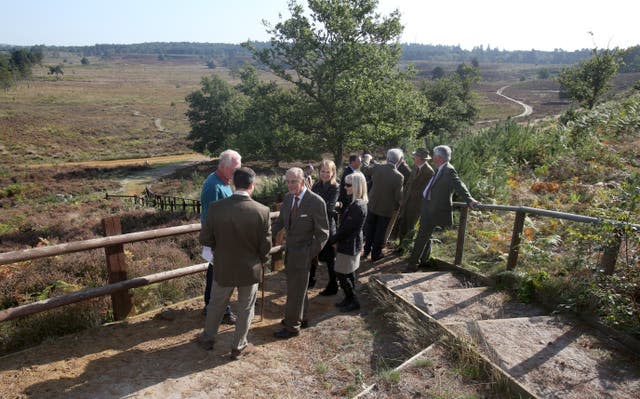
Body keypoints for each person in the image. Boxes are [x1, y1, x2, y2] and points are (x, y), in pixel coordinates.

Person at [196, 167, 272, 359]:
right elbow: (266, 246)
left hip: (223, 265)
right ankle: (239, 346)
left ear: (233, 183)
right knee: (246, 307)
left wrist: (219, 251)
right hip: (250, 267)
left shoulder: (216, 208)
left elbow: (205, 238)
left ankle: (207, 338)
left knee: (216, 304)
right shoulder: (262, 211)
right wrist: (261, 260)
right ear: (252, 186)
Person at [272, 167, 329, 339]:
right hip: (290, 252)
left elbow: (323, 234)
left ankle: (291, 327)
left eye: (294, 181)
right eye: (288, 181)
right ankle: (301, 318)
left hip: (304, 254)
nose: (290, 185)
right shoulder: (288, 199)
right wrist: (267, 236)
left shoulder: (316, 202)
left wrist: (308, 254)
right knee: (298, 288)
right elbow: (280, 222)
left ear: (303, 181)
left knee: (295, 291)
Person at [406, 145, 479, 272]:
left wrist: (469, 199)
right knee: (424, 236)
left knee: (422, 236)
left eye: (434, 156)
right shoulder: (440, 168)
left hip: (434, 210)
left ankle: (412, 265)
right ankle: (423, 260)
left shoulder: (448, 170)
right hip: (428, 207)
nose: (432, 158)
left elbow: (459, 185)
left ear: (439, 157)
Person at [200, 149, 241, 323]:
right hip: (220, 240)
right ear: (223, 167)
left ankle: (211, 306)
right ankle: (221, 310)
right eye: (234, 169)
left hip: (223, 238)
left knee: (215, 273)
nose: (236, 172)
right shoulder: (214, 186)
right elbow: (210, 217)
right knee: (221, 276)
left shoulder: (223, 181)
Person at [328, 172, 368, 312]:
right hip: (351, 243)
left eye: (349, 185)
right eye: (345, 184)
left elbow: (346, 229)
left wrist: (333, 239)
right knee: (348, 272)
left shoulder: (357, 205)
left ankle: (353, 299)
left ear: (357, 186)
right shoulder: (356, 203)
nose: (345, 187)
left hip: (349, 244)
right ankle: (349, 298)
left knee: (341, 273)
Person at [362, 148, 404, 261]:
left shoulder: (377, 168)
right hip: (386, 209)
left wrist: (366, 158)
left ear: (387, 158)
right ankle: (376, 255)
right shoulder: (399, 176)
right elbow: (398, 197)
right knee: (380, 232)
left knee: (369, 229)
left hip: (372, 205)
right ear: (399, 161)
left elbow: (365, 170)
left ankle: (366, 251)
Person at [309, 160, 340, 295]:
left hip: (327, 226)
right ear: (319, 172)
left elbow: (329, 207)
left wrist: (314, 209)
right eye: (323, 171)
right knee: (313, 254)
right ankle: (311, 279)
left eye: (328, 172)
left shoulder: (335, 187)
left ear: (333, 173)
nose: (325, 174)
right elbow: (310, 202)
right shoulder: (316, 185)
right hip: (315, 225)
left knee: (329, 258)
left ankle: (333, 285)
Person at [395, 148, 435, 251]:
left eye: (415, 156)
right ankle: (401, 246)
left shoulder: (429, 171)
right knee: (403, 224)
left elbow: (426, 190)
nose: (414, 157)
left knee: (410, 226)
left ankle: (405, 247)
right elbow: (408, 184)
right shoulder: (415, 167)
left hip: (417, 204)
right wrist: (403, 198)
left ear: (421, 158)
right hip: (407, 202)